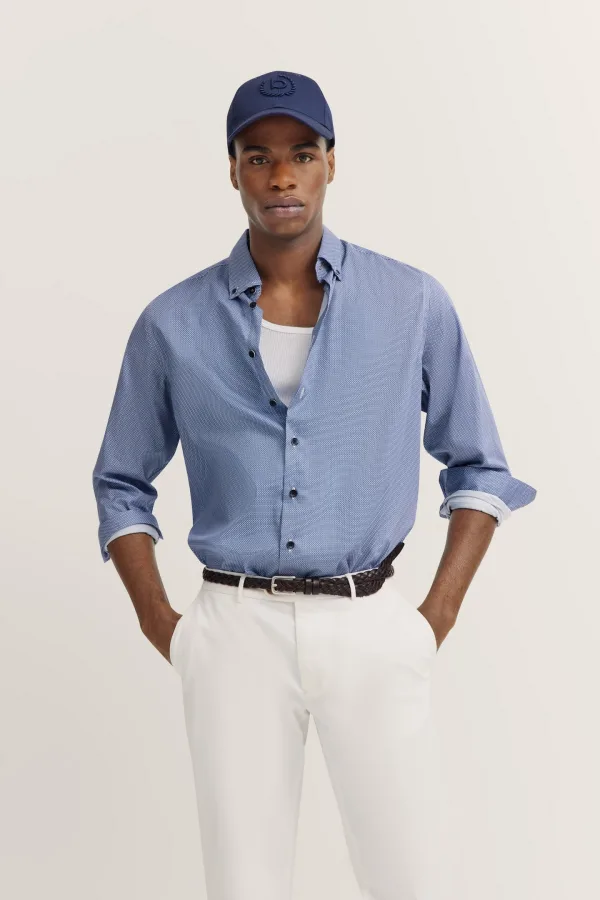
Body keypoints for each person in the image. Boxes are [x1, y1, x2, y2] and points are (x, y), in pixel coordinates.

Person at [92, 70, 536, 900]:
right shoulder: (172, 323)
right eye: (258, 157)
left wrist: (432, 621)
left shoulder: (411, 303)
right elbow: (121, 482)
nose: (281, 176)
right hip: (234, 631)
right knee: (244, 884)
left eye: (301, 153)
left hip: (372, 625)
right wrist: (165, 625)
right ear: (233, 170)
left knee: (413, 879)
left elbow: (480, 465)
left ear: (332, 162)